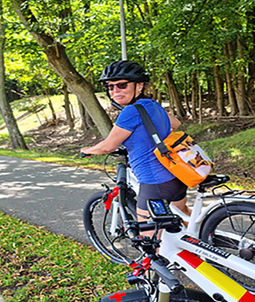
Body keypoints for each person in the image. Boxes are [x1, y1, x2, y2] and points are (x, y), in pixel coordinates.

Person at [81, 60, 190, 220]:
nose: (115, 90)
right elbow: (175, 123)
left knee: (149, 240)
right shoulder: (152, 104)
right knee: (183, 218)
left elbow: (108, 146)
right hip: (176, 176)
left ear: (139, 86)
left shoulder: (130, 112)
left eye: (122, 85)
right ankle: (201, 239)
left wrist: (87, 150)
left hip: (155, 182)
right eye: (111, 87)